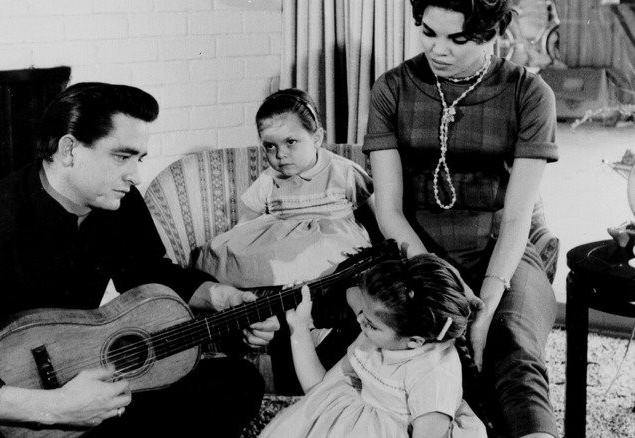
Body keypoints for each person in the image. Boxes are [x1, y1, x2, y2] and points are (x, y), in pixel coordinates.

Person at [0, 83, 279, 438]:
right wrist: (56, 408)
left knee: (235, 383)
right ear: (68, 150)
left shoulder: (120, 203)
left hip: (82, 386)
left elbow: (149, 274)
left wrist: (219, 296)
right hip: (1, 407)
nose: (135, 175)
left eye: (140, 160)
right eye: (122, 156)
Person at [364, 1, 559, 437]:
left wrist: (485, 308)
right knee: (395, 349)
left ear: (493, 33)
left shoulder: (530, 94)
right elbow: (389, 210)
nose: (438, 49)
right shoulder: (391, 88)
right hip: (413, 256)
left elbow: (517, 219)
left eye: (458, 38)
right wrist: (440, 282)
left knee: (512, 345)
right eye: (429, 32)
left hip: (499, 253)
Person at [194, 89, 378, 392]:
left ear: (317, 137)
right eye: (270, 146)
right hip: (285, 258)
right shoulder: (269, 180)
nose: (280, 155)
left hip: (330, 253)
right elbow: (244, 227)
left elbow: (374, 221)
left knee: (333, 268)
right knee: (233, 257)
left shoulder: (343, 172)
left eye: (291, 143)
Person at [259, 253, 487, 438]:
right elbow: (319, 393)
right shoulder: (376, 340)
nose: (359, 321)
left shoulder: (433, 375)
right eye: (362, 313)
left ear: (415, 341)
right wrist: (298, 329)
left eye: (370, 324)